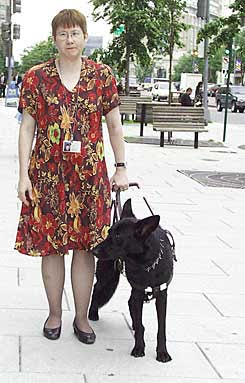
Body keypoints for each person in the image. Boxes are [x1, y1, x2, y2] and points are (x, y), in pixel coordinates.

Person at [15, 9, 129, 344]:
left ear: (84, 36)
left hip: (89, 177)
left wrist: (121, 167)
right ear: (54, 39)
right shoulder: (36, 77)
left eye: (75, 33)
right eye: (63, 34)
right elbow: (27, 130)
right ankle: (54, 313)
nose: (69, 39)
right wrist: (23, 176)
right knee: (51, 248)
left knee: (84, 249)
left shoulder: (101, 76)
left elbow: (114, 125)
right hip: (47, 177)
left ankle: (81, 317)